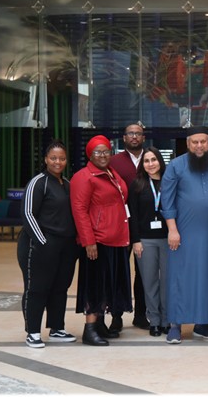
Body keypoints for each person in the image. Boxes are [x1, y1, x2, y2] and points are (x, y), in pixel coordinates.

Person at [161, 126, 208, 344]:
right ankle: (175, 325)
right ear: (188, 144)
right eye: (194, 142)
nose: (199, 146)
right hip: (182, 233)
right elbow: (167, 200)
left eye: (202, 142)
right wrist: (172, 229)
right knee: (179, 278)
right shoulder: (176, 166)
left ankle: (203, 324)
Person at [70, 135, 132, 346]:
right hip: (98, 241)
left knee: (108, 285)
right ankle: (89, 330)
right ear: (89, 154)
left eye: (106, 151)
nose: (103, 155)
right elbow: (79, 211)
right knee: (94, 285)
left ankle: (100, 325)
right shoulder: (84, 176)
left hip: (116, 237)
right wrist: (89, 241)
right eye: (98, 152)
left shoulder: (111, 173)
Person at [17, 139, 78, 348]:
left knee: (60, 287)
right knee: (37, 288)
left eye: (61, 158)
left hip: (65, 247)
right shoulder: (38, 182)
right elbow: (27, 215)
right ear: (46, 159)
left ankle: (56, 329)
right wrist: (43, 242)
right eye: (53, 158)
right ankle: (33, 331)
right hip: (40, 245)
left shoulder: (68, 184)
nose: (58, 162)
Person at [127, 147, 169, 337]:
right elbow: (132, 216)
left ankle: (167, 319)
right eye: (146, 161)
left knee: (167, 282)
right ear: (142, 165)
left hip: (169, 240)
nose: (151, 164)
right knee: (150, 282)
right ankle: (155, 320)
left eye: (154, 160)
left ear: (160, 161)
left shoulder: (169, 182)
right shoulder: (137, 185)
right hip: (145, 240)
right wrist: (135, 240)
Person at [110, 123, 148, 331]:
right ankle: (116, 316)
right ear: (124, 138)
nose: (134, 137)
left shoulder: (151, 159)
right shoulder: (114, 162)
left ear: (143, 137)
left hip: (145, 225)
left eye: (138, 134)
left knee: (144, 273)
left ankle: (141, 315)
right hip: (120, 225)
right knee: (120, 271)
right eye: (130, 133)